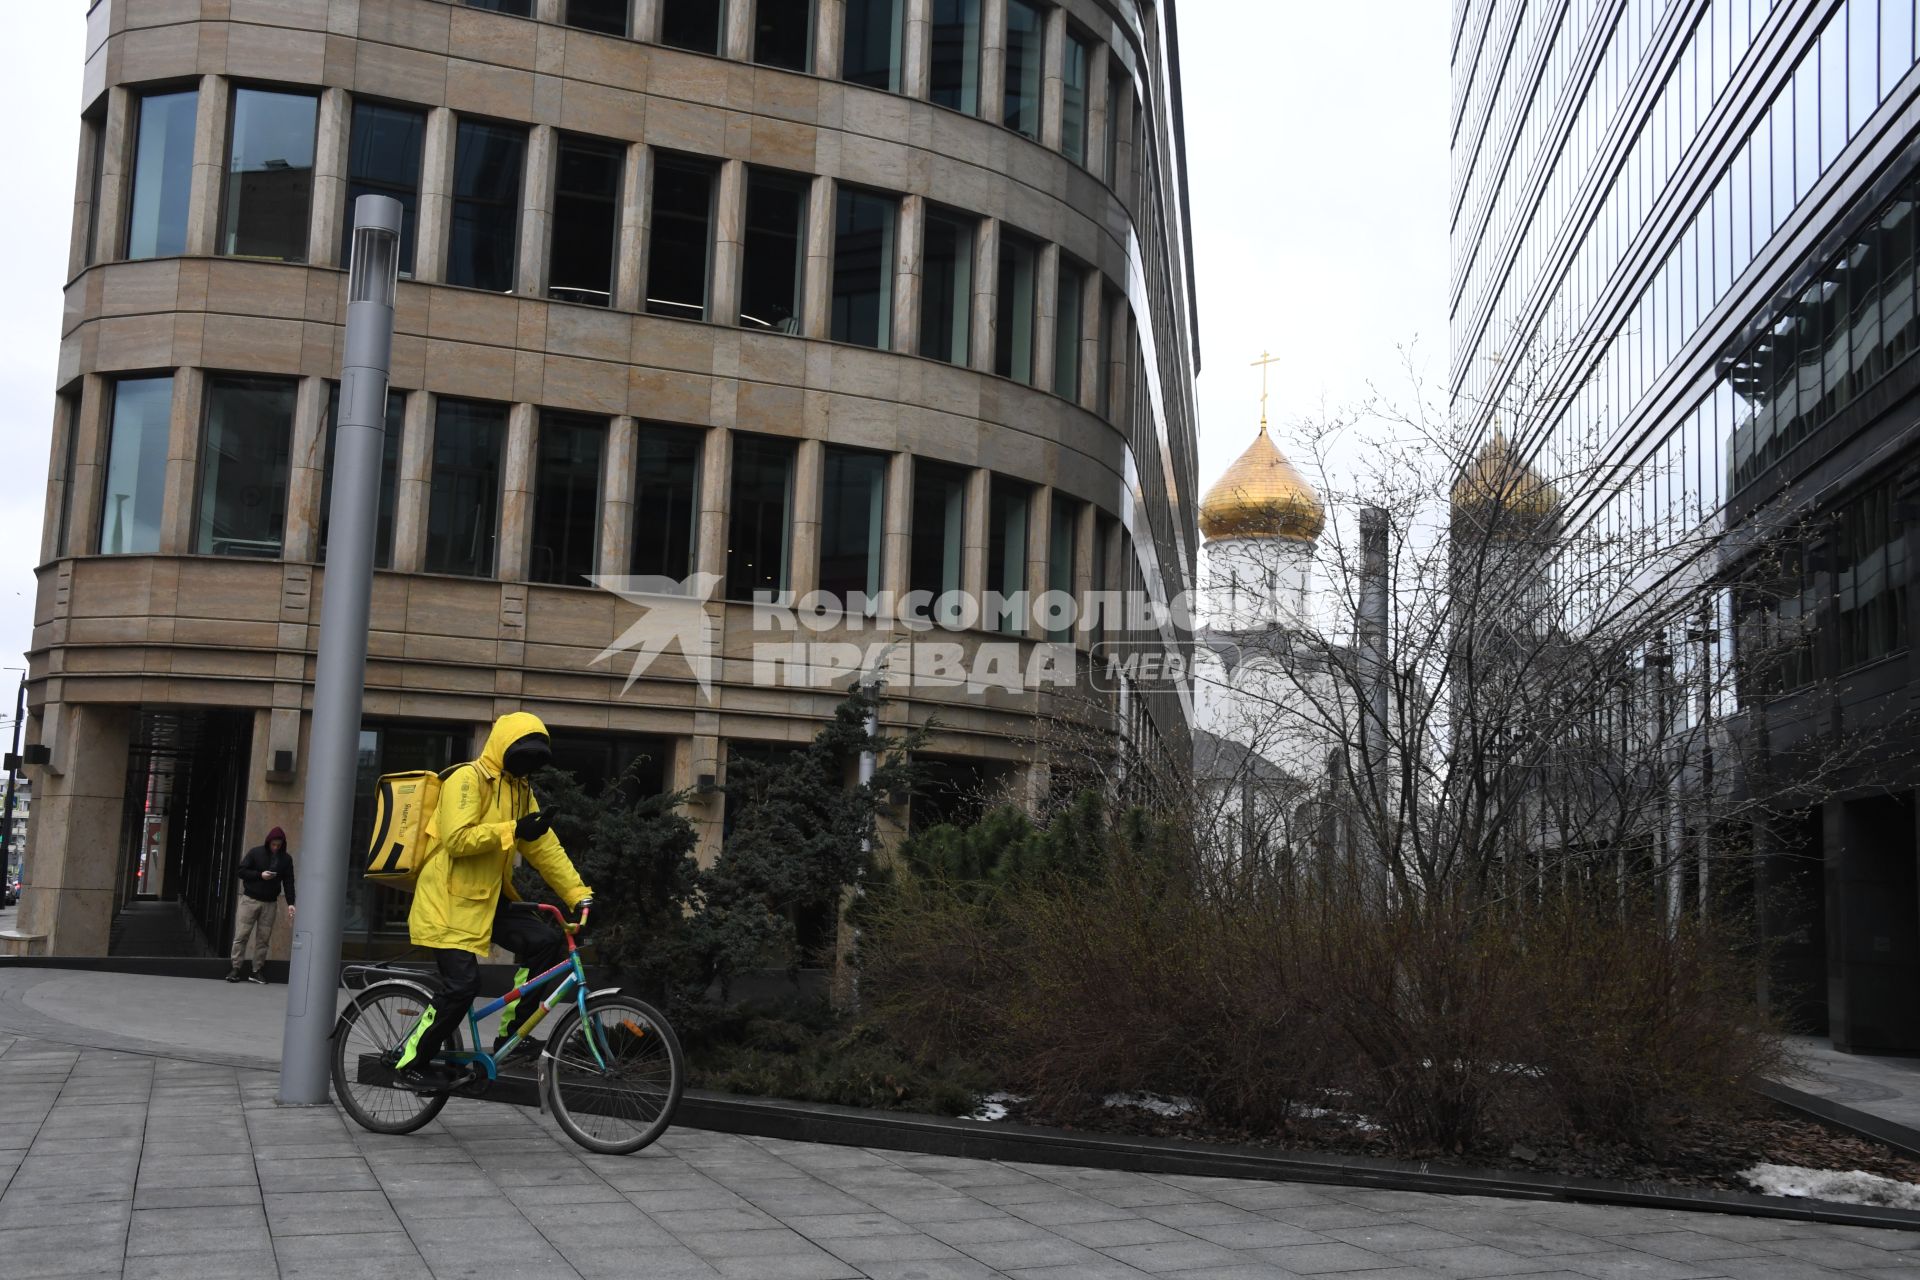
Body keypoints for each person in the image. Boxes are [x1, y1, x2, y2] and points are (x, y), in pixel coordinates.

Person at [390, 712, 593, 1091]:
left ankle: (511, 1035)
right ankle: (410, 1061)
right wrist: (514, 829)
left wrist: (579, 894)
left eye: (536, 758)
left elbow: (544, 847)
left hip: (487, 899)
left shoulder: (520, 790)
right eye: (523, 754)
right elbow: (457, 839)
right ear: (502, 747)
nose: (529, 764)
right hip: (445, 902)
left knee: (545, 944)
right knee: (463, 985)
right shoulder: (467, 778)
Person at [228, 827, 295, 983]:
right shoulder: (255, 853)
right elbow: (241, 871)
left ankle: (256, 970)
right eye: (273, 844)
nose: (275, 847)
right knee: (241, 935)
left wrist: (291, 903)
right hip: (250, 900)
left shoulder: (286, 859)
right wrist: (260, 875)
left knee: (263, 939)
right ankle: (235, 968)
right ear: (268, 842)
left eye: (278, 845)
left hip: (270, 903)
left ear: (283, 844)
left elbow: (289, 882)